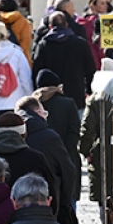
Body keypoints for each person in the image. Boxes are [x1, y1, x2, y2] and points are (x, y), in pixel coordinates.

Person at [16, 96, 78, 224]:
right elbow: (68, 171)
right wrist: (63, 202)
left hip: (17, 207)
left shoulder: (11, 134)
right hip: (49, 203)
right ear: (38, 112)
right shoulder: (49, 136)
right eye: (44, 113)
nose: (46, 117)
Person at [32, 12, 96, 110]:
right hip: (77, 95)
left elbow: (37, 71)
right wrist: (89, 90)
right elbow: (90, 69)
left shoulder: (43, 45)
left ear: (50, 27)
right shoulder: (80, 43)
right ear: (67, 25)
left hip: (51, 97)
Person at [33, 71, 81, 199]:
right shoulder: (68, 103)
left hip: (40, 163)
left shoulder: (32, 105)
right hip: (67, 160)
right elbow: (74, 132)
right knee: (69, 202)